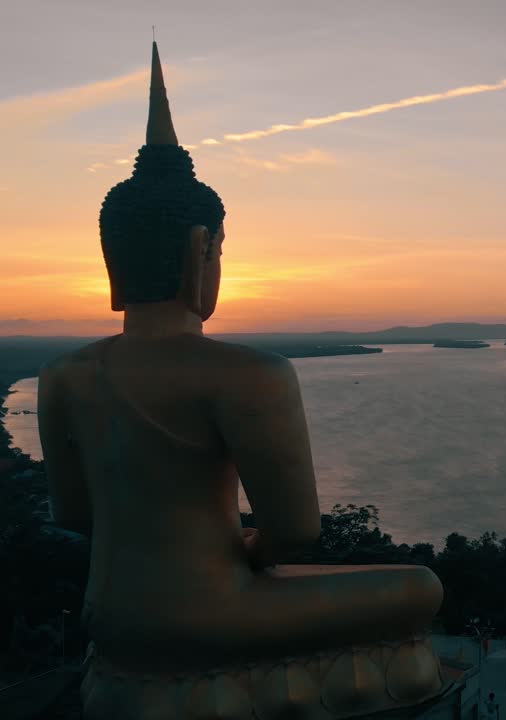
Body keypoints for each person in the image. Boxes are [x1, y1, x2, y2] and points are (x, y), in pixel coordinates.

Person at [43, 41, 446, 719]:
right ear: (202, 253)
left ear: (112, 257)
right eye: (219, 251)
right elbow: (293, 533)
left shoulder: (61, 375)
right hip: (211, 616)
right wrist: (244, 554)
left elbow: (75, 515)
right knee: (421, 587)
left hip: (109, 619)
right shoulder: (248, 374)